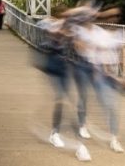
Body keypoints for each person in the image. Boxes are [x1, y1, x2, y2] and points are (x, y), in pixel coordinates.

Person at [67, 2, 125, 153]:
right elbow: (79, 46)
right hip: (82, 66)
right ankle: (82, 126)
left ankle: (114, 138)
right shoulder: (77, 29)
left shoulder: (100, 32)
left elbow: (118, 49)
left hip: (98, 69)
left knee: (110, 104)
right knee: (84, 98)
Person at [37, 14, 92, 162]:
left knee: (67, 104)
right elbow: (42, 48)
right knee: (62, 101)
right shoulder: (51, 33)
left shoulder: (69, 34)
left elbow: (76, 49)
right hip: (53, 71)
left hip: (64, 72)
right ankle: (74, 143)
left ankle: (56, 133)